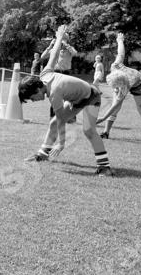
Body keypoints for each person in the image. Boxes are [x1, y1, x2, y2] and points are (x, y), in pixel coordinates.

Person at [18, 25, 113, 176]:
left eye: (31, 98)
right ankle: (42, 154)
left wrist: (61, 144)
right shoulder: (44, 75)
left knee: (89, 130)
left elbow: (62, 120)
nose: (33, 101)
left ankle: (104, 167)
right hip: (77, 98)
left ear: (37, 90)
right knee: (53, 122)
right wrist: (59, 38)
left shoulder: (54, 93)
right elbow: (54, 54)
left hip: (92, 97)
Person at [96, 32, 141, 145]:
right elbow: (121, 53)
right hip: (123, 81)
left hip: (138, 83)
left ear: (121, 85)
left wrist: (103, 118)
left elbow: (116, 104)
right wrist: (120, 41)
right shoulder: (115, 66)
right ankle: (105, 132)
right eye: (114, 87)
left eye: (117, 87)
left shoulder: (126, 84)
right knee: (115, 108)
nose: (115, 89)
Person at [40, 30, 78, 122]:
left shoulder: (69, 49)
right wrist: (50, 46)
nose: (61, 42)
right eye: (61, 40)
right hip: (56, 73)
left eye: (64, 39)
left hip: (66, 73)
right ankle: (53, 117)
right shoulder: (55, 50)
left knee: (68, 96)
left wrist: (67, 45)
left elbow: (75, 53)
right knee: (54, 95)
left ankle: (71, 118)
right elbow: (42, 56)